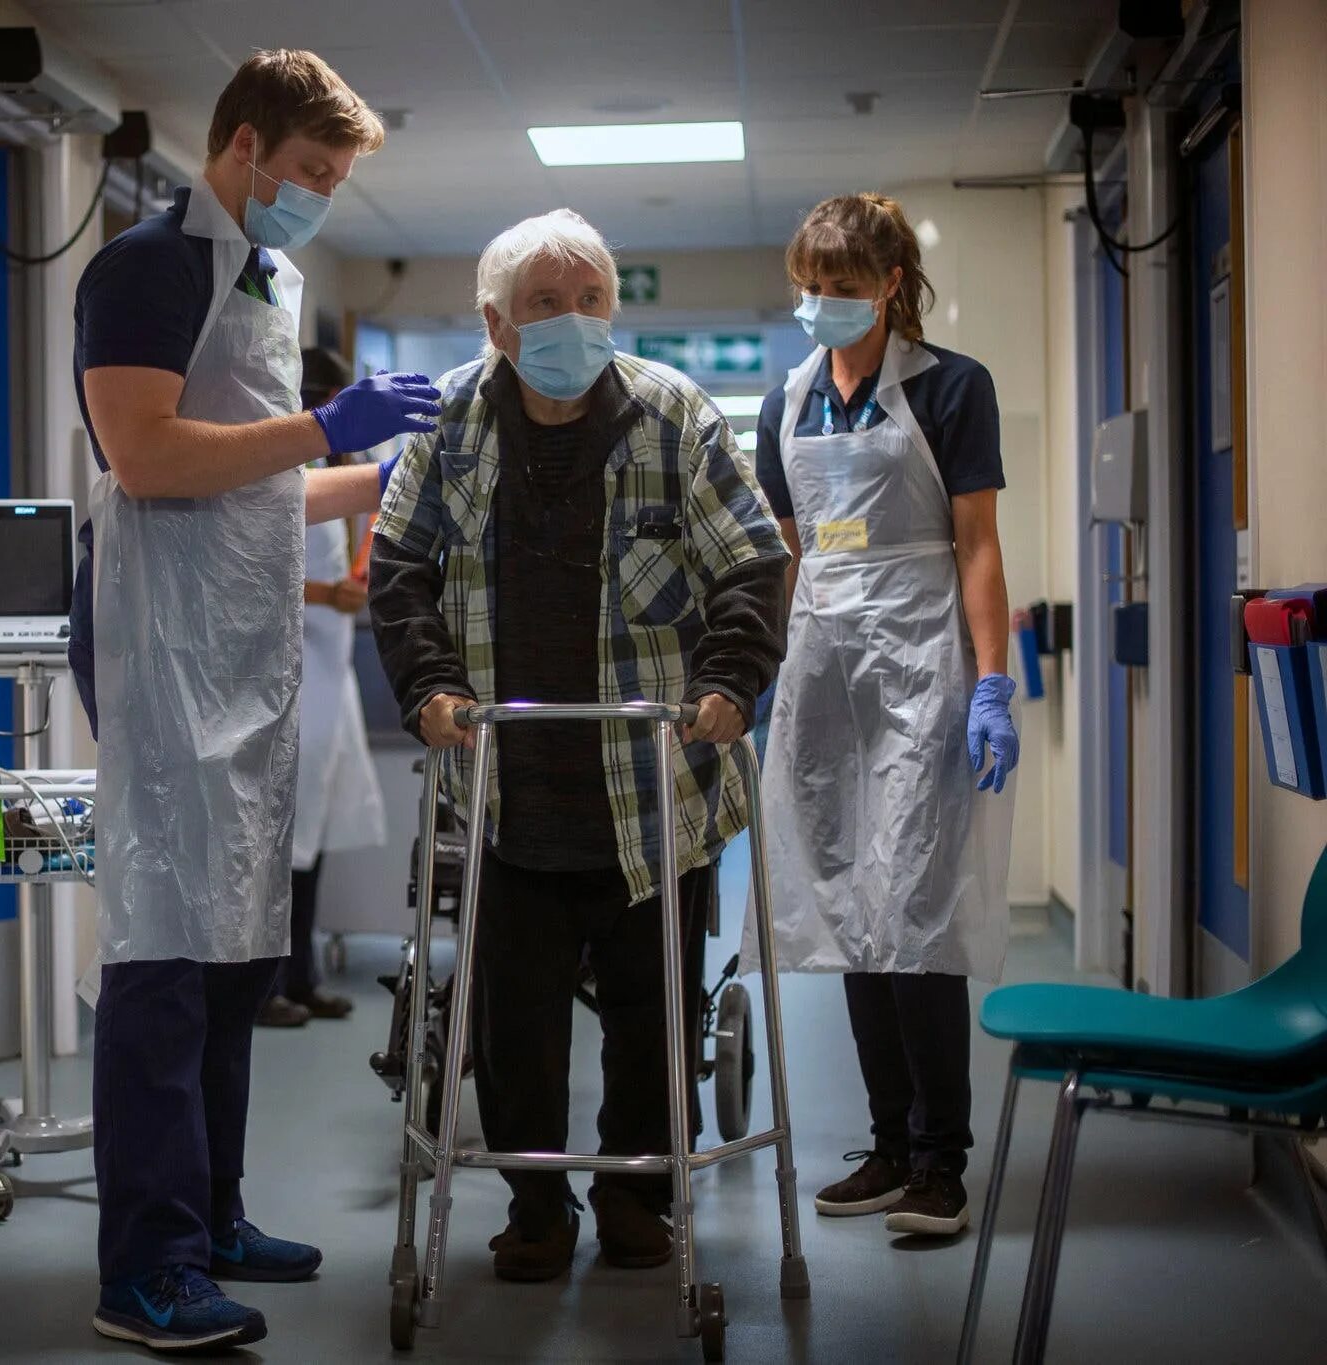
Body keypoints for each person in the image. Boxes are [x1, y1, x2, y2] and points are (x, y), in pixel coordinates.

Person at [69, 51, 440, 1353]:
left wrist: (396, 479)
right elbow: (150, 455)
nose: (318, 201)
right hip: (163, 652)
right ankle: (144, 1269)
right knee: (165, 955)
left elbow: (269, 482)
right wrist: (330, 431)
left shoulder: (270, 281)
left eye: (335, 184)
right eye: (308, 176)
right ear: (239, 148)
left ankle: (213, 1217)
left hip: (244, 653)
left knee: (234, 954)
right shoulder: (146, 269)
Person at [370, 209, 789, 1283]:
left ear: (614, 304)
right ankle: (534, 1203)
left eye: (589, 298)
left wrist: (729, 683)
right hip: (508, 783)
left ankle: (636, 1199)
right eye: (543, 305)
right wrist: (426, 686)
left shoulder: (671, 415)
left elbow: (748, 561)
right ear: (495, 324)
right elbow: (398, 570)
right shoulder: (447, 425)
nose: (571, 320)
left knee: (652, 1018)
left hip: (651, 778)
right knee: (513, 1028)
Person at [743, 192, 1019, 1241]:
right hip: (823, 675)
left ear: (890, 285)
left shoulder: (949, 388)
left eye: (842, 289)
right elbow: (786, 550)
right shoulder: (787, 401)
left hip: (918, 664)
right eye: (808, 289)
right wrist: (759, 672)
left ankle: (940, 1164)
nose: (819, 306)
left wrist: (990, 682)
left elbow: (977, 546)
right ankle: (887, 1145)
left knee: (911, 907)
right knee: (854, 915)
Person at [257, 346, 387, 1029]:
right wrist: (325, 593)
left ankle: (300, 977)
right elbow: (251, 564)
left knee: (310, 840)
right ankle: (266, 986)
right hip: (287, 683)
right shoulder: (271, 462)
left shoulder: (332, 468)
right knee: (280, 846)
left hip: (327, 678)